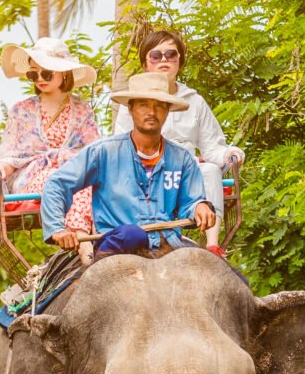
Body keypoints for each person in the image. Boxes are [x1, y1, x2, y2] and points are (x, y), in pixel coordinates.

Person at [41, 71, 216, 253]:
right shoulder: (103, 152)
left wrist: (200, 207)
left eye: (159, 105)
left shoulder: (182, 158)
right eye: (143, 104)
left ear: (167, 111)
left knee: (207, 263)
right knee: (133, 234)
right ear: (130, 109)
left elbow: (191, 201)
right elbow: (57, 184)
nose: (152, 112)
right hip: (118, 243)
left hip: (168, 240)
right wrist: (57, 228)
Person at [109, 28, 244, 220]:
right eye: (155, 55)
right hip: (146, 170)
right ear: (145, 64)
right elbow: (120, 147)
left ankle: (212, 236)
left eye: (171, 54)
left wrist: (229, 154)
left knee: (210, 170)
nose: (164, 60)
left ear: (179, 60)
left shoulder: (194, 101)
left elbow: (212, 147)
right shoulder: (132, 102)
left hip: (186, 170)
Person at [0, 37, 102, 236]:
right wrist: (0, 168)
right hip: (33, 178)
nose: (40, 79)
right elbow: (11, 155)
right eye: (34, 74)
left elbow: (95, 152)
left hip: (74, 174)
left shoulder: (82, 109)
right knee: (65, 180)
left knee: (83, 181)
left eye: (47, 73)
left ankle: (84, 239)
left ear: (64, 73)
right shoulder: (21, 111)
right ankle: (82, 239)